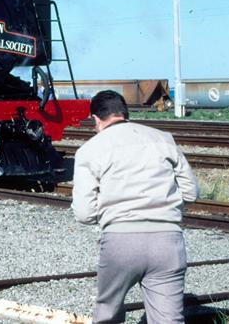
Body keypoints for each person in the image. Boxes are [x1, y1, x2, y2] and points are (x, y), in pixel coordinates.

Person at [71, 90, 199, 324]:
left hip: (121, 242)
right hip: (168, 241)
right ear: (125, 114)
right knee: (169, 320)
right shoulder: (163, 138)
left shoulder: (90, 149)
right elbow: (191, 191)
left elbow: (83, 213)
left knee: (107, 315)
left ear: (96, 119)